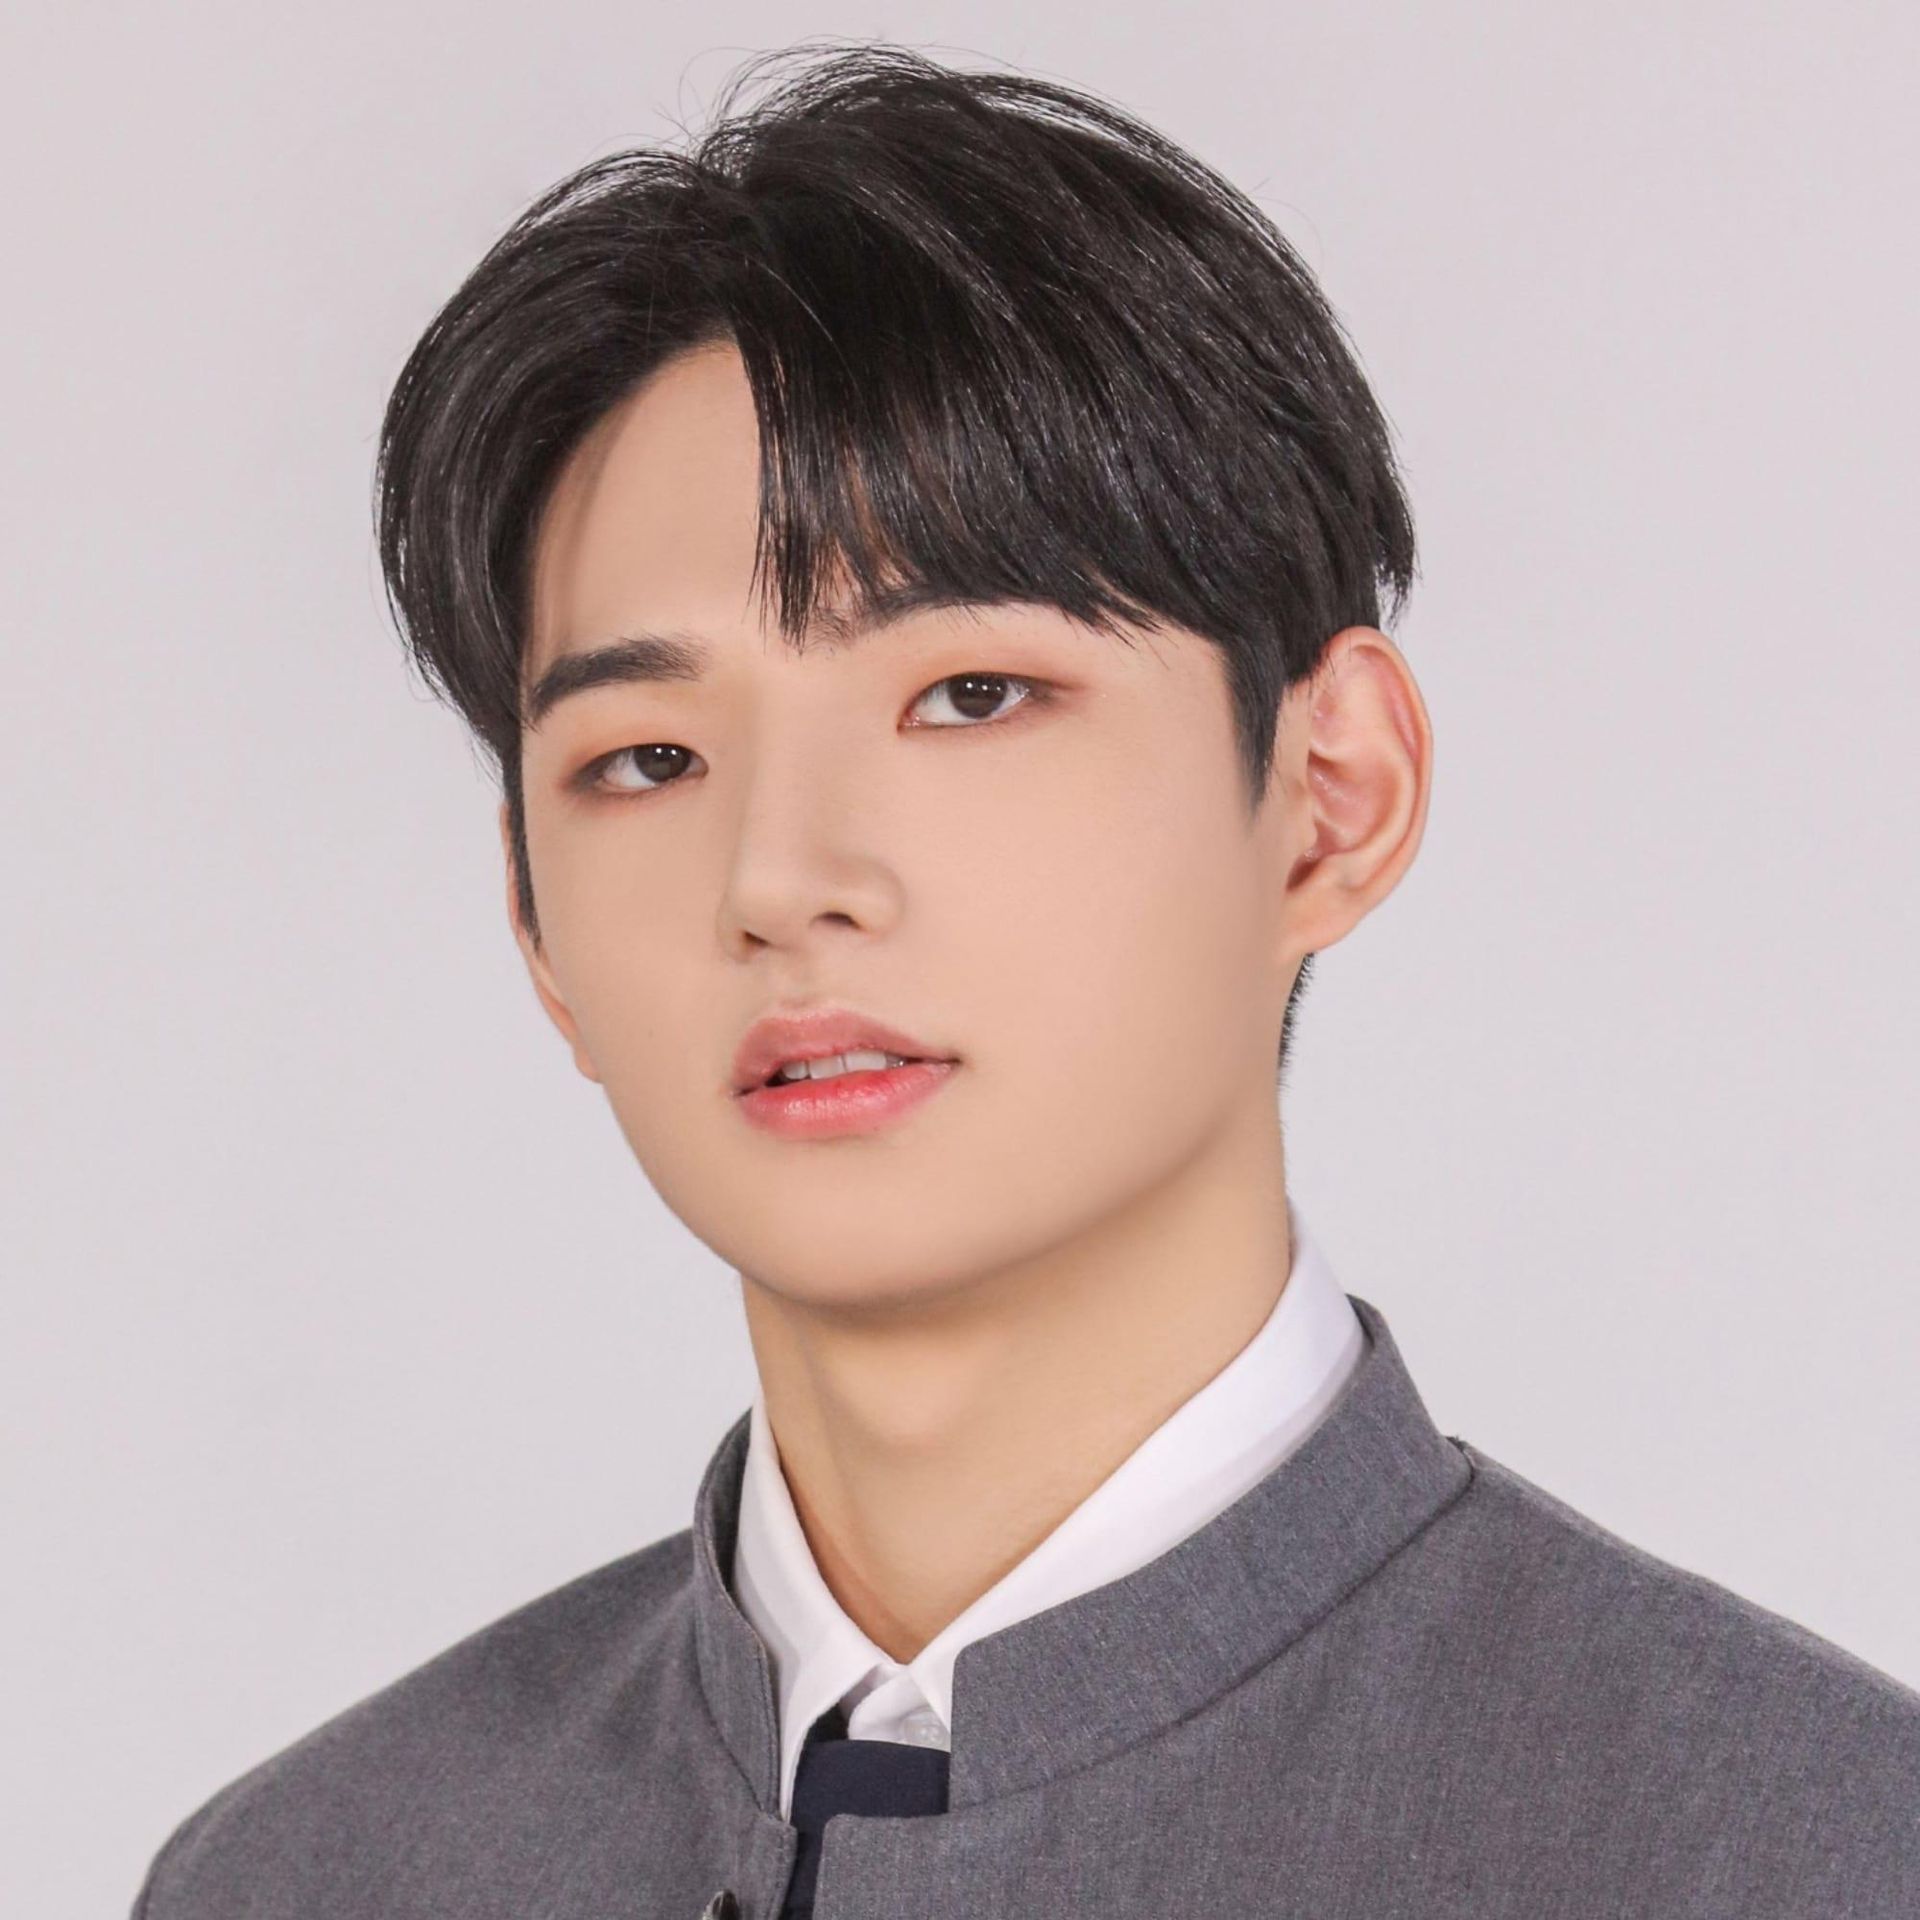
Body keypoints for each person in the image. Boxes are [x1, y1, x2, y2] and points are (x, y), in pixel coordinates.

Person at [131, 41, 1920, 1920]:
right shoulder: (308, 1874)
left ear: (1331, 798)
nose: (779, 880)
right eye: (648, 758)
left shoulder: (1812, 1853)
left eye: (970, 695)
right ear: (533, 922)